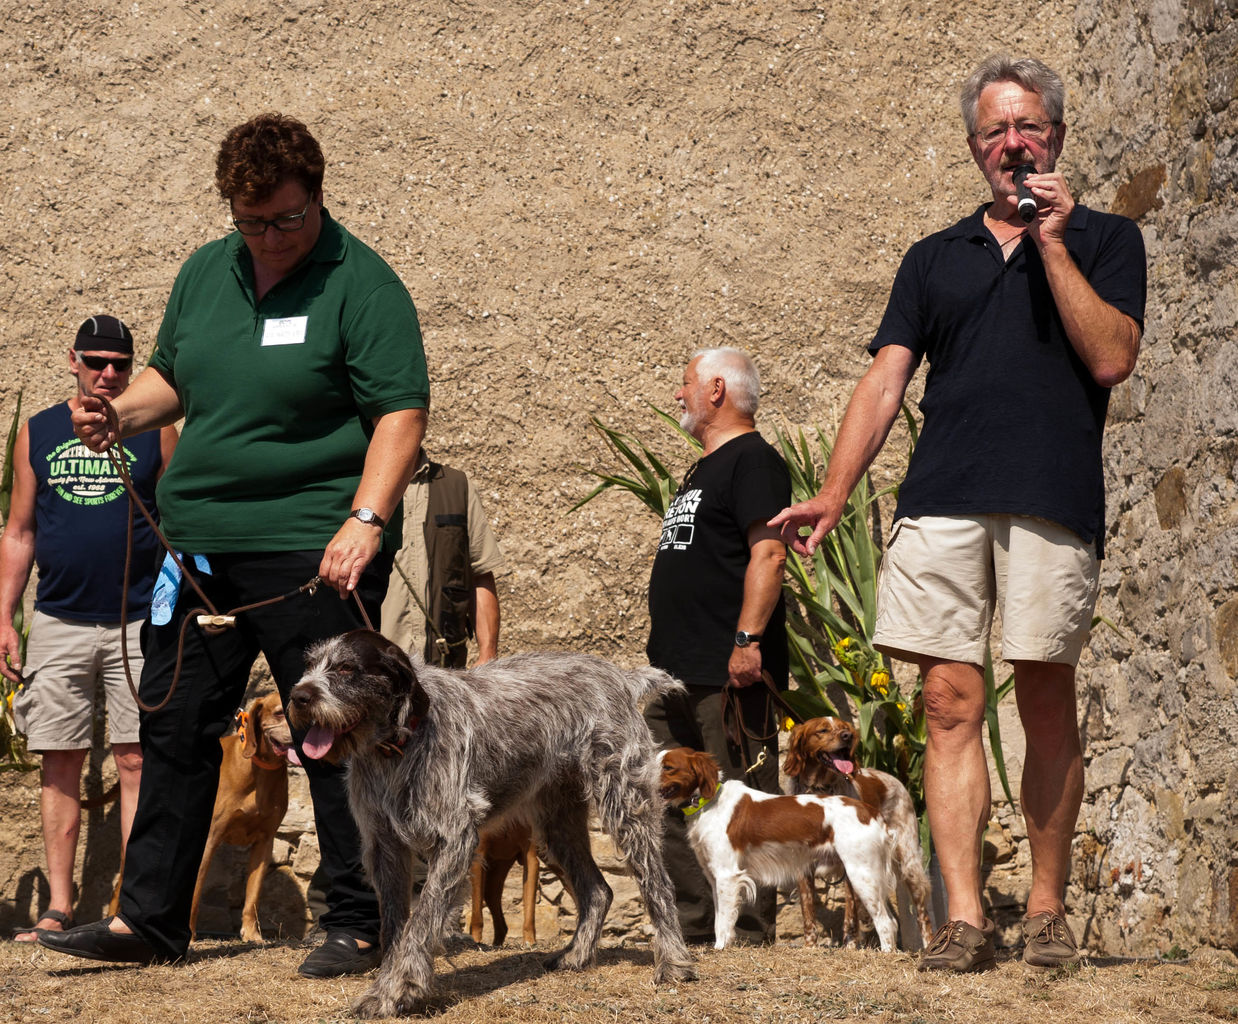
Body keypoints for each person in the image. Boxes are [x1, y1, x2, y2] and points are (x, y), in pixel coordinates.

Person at [770, 55, 1146, 971]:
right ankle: (966, 918)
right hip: (943, 501)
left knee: (1047, 697)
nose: (1012, 146)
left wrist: (1052, 242)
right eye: (994, 133)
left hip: (1052, 500)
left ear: (1055, 135)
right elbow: (888, 378)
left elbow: (1111, 359)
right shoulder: (932, 257)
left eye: (1028, 129)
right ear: (975, 147)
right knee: (947, 701)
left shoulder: (1106, 240)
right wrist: (833, 489)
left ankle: (1048, 912)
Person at [40, 113, 429, 978]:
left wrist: (364, 521)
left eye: (286, 220)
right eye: (250, 223)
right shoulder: (204, 273)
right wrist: (117, 413)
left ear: (316, 199)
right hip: (200, 552)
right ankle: (148, 923)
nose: (270, 239)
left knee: (331, 736)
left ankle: (359, 922)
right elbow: (170, 381)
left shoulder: (361, 285)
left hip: (313, 549)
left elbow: (401, 413)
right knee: (174, 727)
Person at [2, 316, 177, 943]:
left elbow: (178, 524)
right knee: (61, 761)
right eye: (97, 362)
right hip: (58, 620)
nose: (108, 374)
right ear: (72, 360)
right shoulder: (38, 432)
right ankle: (57, 905)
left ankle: (131, 909)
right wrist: (6, 617)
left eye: (121, 365)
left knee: (135, 759)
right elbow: (19, 531)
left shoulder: (157, 432)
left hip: (139, 622)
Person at [643, 347, 790, 946]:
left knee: (740, 805)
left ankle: (748, 934)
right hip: (671, 672)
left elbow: (770, 553)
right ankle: (694, 927)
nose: (678, 395)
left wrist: (747, 641)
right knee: (663, 799)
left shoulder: (754, 462)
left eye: (685, 384)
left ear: (718, 391)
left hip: (727, 672)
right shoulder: (704, 469)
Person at [379, 452, 505, 667]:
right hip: (373, 668)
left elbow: (480, 575)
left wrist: (487, 655)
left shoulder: (457, 486)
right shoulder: (356, 487)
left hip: (444, 667)